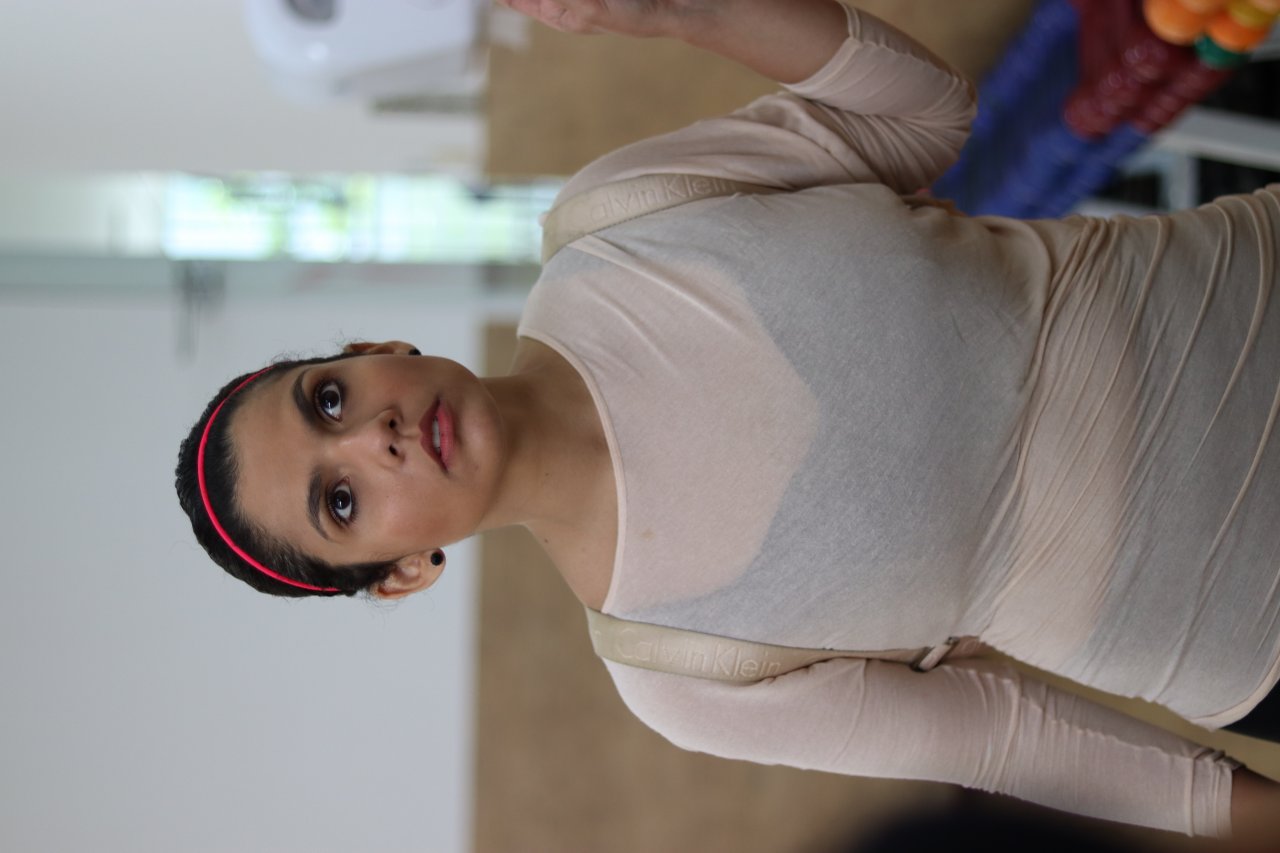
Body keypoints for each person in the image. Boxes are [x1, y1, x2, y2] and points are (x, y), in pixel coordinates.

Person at [174, 0, 1280, 841]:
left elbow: (923, 113)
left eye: (328, 399)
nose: (370, 439)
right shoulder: (683, 673)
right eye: (341, 500)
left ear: (376, 351)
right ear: (404, 573)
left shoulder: (617, 218)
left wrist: (676, 10)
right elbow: (1008, 738)